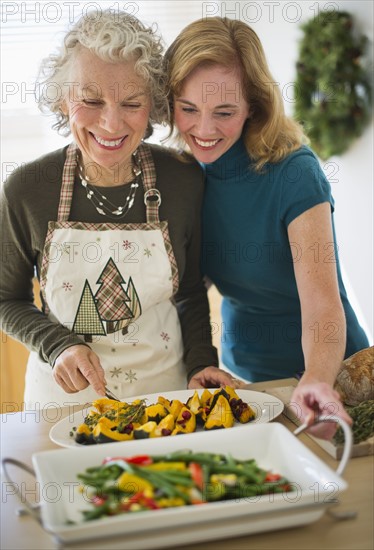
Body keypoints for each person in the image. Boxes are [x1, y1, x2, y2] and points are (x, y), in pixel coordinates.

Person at [0, 11, 237, 409]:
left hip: (165, 401)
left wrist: (201, 362)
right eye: (91, 101)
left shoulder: (182, 180)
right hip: (63, 404)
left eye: (131, 103)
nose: (111, 123)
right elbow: (6, 298)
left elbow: (191, 290)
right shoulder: (26, 188)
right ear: (63, 100)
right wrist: (57, 345)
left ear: (154, 107)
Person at [165, 16, 370, 438]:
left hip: (333, 374)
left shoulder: (294, 172)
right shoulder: (184, 174)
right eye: (188, 109)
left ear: (253, 106)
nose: (203, 130)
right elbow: (183, 289)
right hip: (247, 379)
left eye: (224, 112)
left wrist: (316, 378)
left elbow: (321, 304)